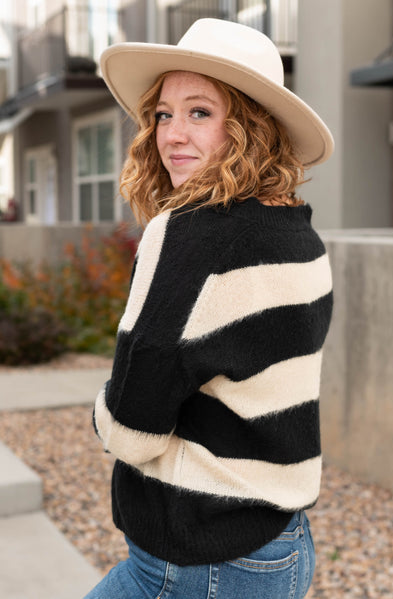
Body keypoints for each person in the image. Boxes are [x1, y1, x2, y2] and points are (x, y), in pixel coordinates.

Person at [86, 18, 334, 599]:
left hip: (201, 562)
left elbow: (132, 428)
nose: (171, 134)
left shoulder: (190, 236)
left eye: (200, 112)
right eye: (163, 115)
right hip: (282, 546)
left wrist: (102, 411)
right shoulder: (296, 231)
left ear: (251, 127)